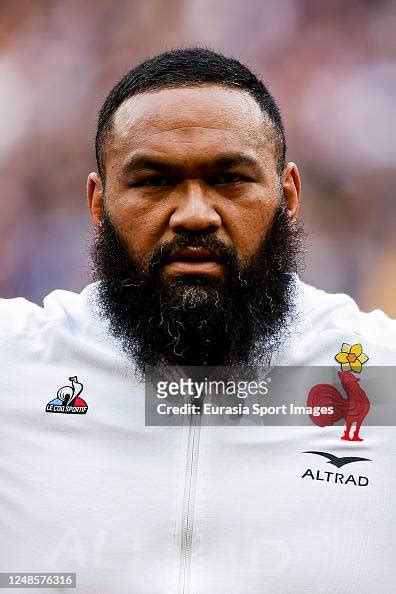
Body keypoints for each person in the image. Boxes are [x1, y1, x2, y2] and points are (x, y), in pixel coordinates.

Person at [0, 48, 395, 594]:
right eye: (153, 181)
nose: (193, 214)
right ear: (98, 203)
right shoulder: (14, 365)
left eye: (229, 178)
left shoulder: (383, 370)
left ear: (289, 195)